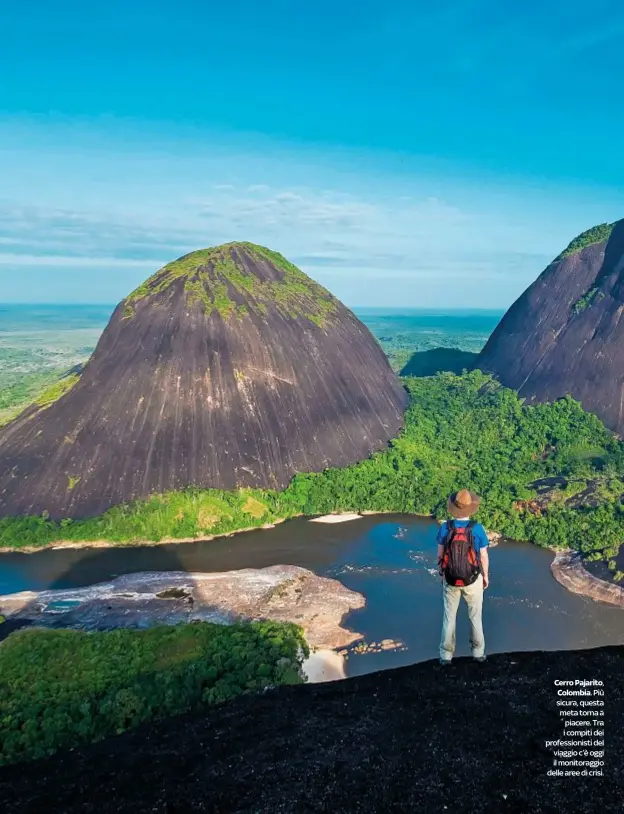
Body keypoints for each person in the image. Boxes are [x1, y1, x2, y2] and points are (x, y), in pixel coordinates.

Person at [436, 488, 490, 666]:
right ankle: (478, 653)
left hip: (451, 579)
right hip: (472, 579)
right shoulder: (477, 529)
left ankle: (445, 656)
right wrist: (485, 577)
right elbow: (483, 556)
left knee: (449, 617)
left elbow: (440, 555)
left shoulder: (446, 527)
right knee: (475, 617)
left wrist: (442, 573)